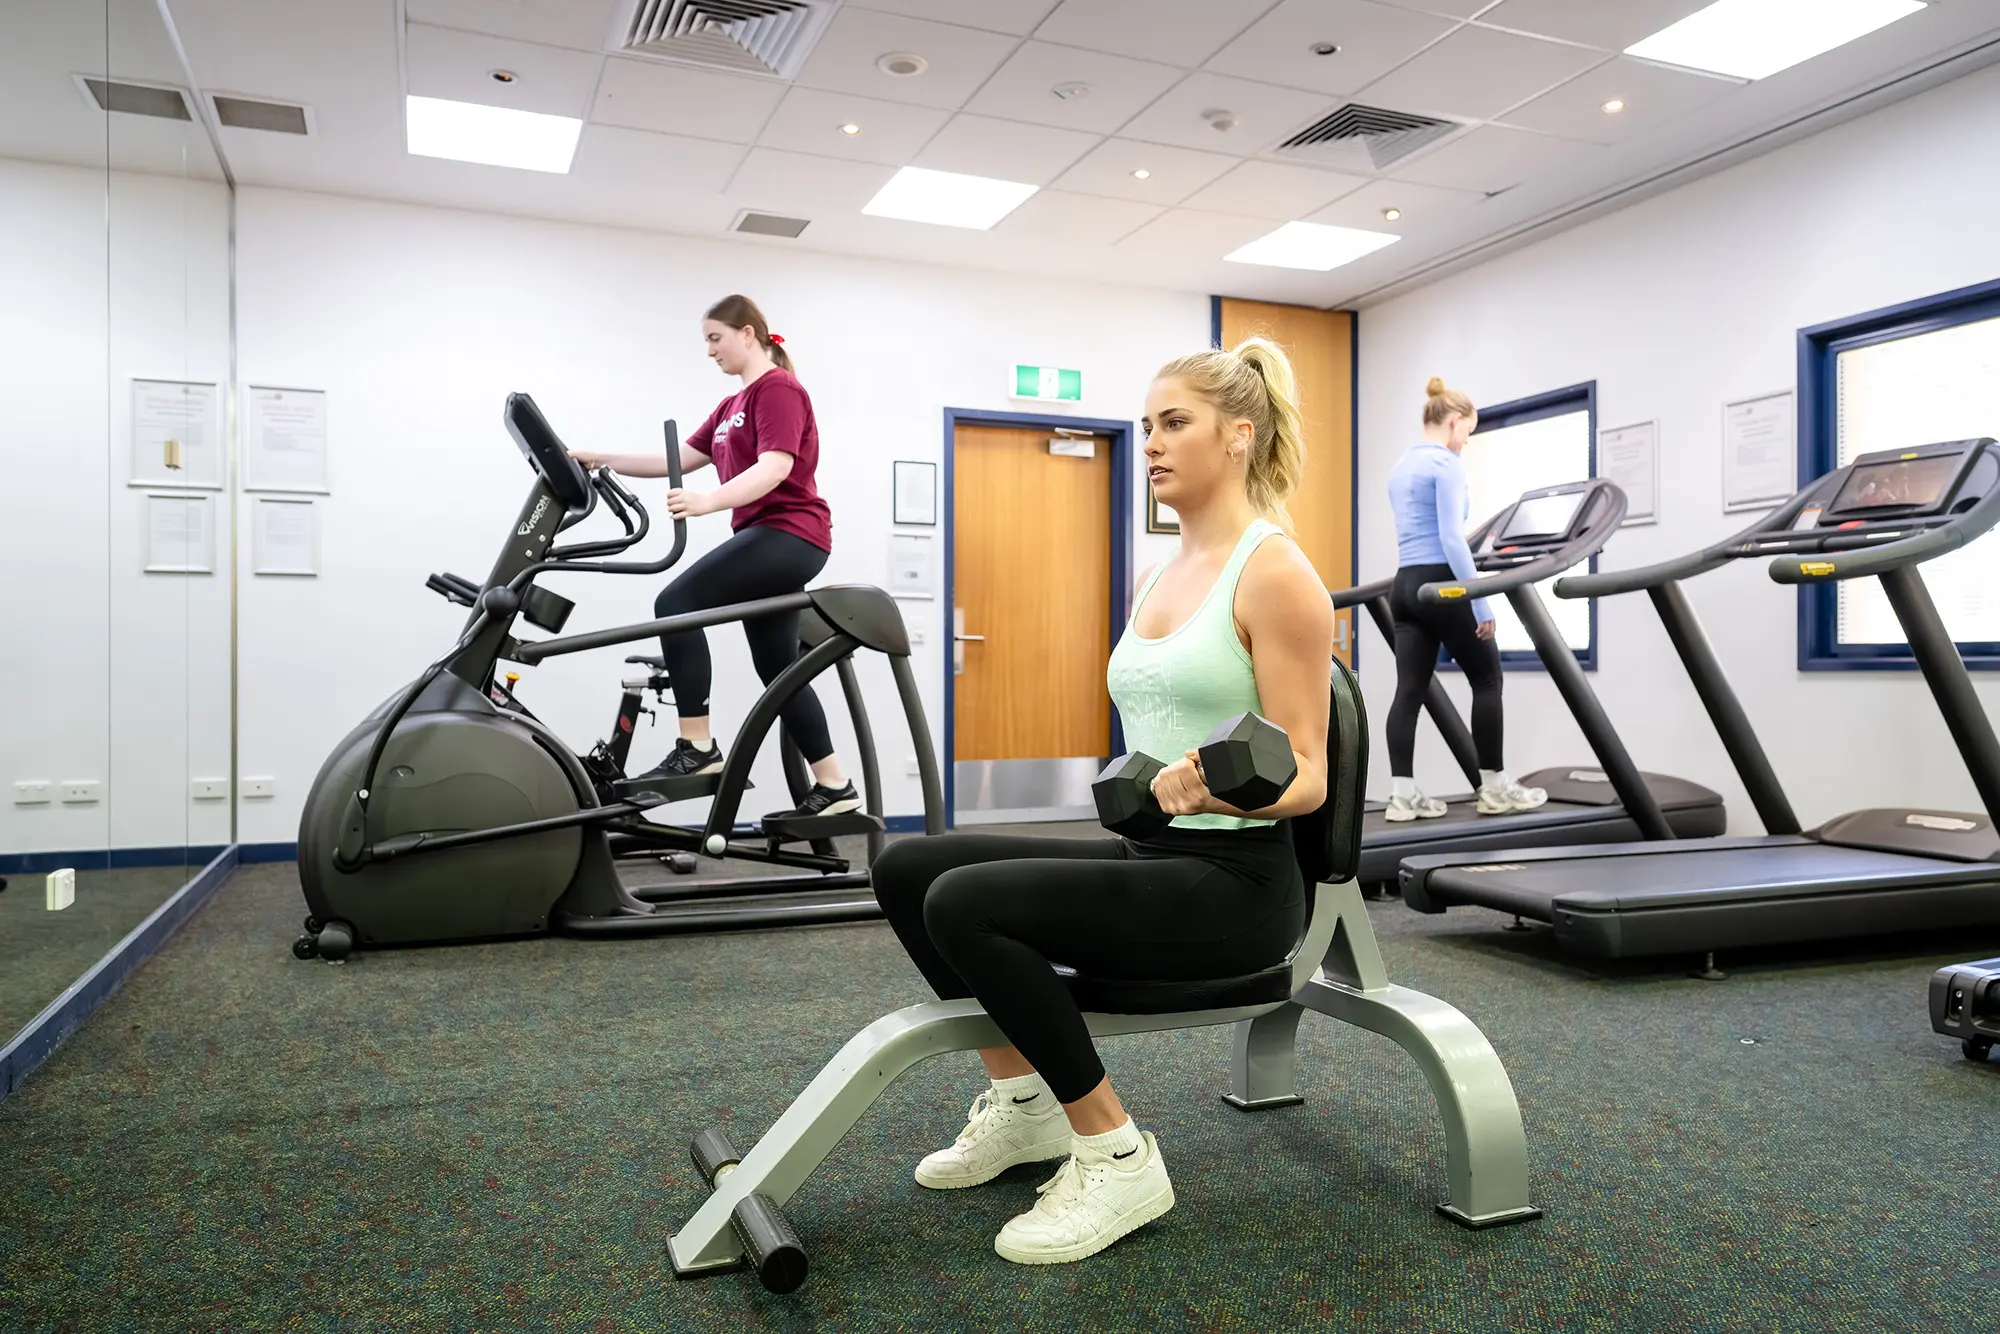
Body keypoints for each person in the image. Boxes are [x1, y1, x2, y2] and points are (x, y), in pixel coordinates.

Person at [867, 338, 1333, 1266]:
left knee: (969, 903)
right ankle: (1028, 1107)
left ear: (1238, 435)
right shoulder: (1156, 573)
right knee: (911, 865)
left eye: (1175, 424)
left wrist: (1210, 783)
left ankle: (1116, 1152)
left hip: (1237, 885)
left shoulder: (1276, 573)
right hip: (1154, 855)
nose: (1153, 443)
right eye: (1148, 425)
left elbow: (1309, 772)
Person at [573, 295, 857, 820]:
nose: (709, 351)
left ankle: (698, 748)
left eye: (715, 338)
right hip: (769, 536)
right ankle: (835, 785)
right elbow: (678, 459)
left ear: (748, 334)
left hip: (790, 533)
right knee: (777, 666)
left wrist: (707, 502)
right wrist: (599, 457)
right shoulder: (732, 407)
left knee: (676, 601)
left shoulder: (778, 390)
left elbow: (774, 467)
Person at [1380, 377, 1546, 822]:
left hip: (1405, 586)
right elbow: (1452, 539)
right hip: (1445, 584)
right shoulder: (1446, 464)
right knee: (1488, 679)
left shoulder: (1402, 466)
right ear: (1454, 422)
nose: (1464, 442)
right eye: (1467, 433)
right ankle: (1494, 788)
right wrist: (1481, 601)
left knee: (1409, 689)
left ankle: (1402, 795)